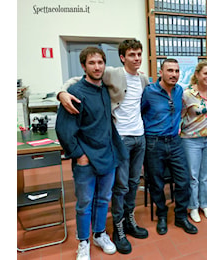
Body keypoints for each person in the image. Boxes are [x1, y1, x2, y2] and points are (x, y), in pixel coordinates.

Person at [58, 39, 149, 254]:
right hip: (91, 155)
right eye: (92, 63)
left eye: (100, 62)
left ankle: (101, 233)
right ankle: (85, 242)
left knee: (105, 197)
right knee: (86, 201)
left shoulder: (112, 88)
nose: (97, 67)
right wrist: (79, 154)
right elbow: (63, 127)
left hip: (113, 151)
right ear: (84, 66)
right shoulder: (81, 90)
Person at [141, 58, 198, 235]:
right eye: (170, 70)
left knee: (183, 181)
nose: (174, 74)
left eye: (176, 71)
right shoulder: (149, 92)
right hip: (154, 142)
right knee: (156, 183)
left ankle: (181, 216)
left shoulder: (180, 90)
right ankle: (162, 215)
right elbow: (140, 113)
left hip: (175, 141)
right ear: (161, 72)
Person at [180, 61, 207, 223]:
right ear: (197, 75)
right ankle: (193, 206)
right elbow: (180, 114)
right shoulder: (187, 94)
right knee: (193, 176)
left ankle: (205, 204)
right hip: (191, 139)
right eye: (205, 73)